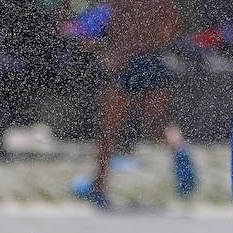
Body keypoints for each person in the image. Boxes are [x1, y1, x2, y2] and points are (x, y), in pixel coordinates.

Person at [74, 0, 194, 209]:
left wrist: (109, 51)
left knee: (108, 132)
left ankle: (99, 187)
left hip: (126, 64)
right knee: (159, 127)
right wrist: (153, 42)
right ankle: (179, 148)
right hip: (154, 62)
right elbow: (174, 24)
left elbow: (98, 29)